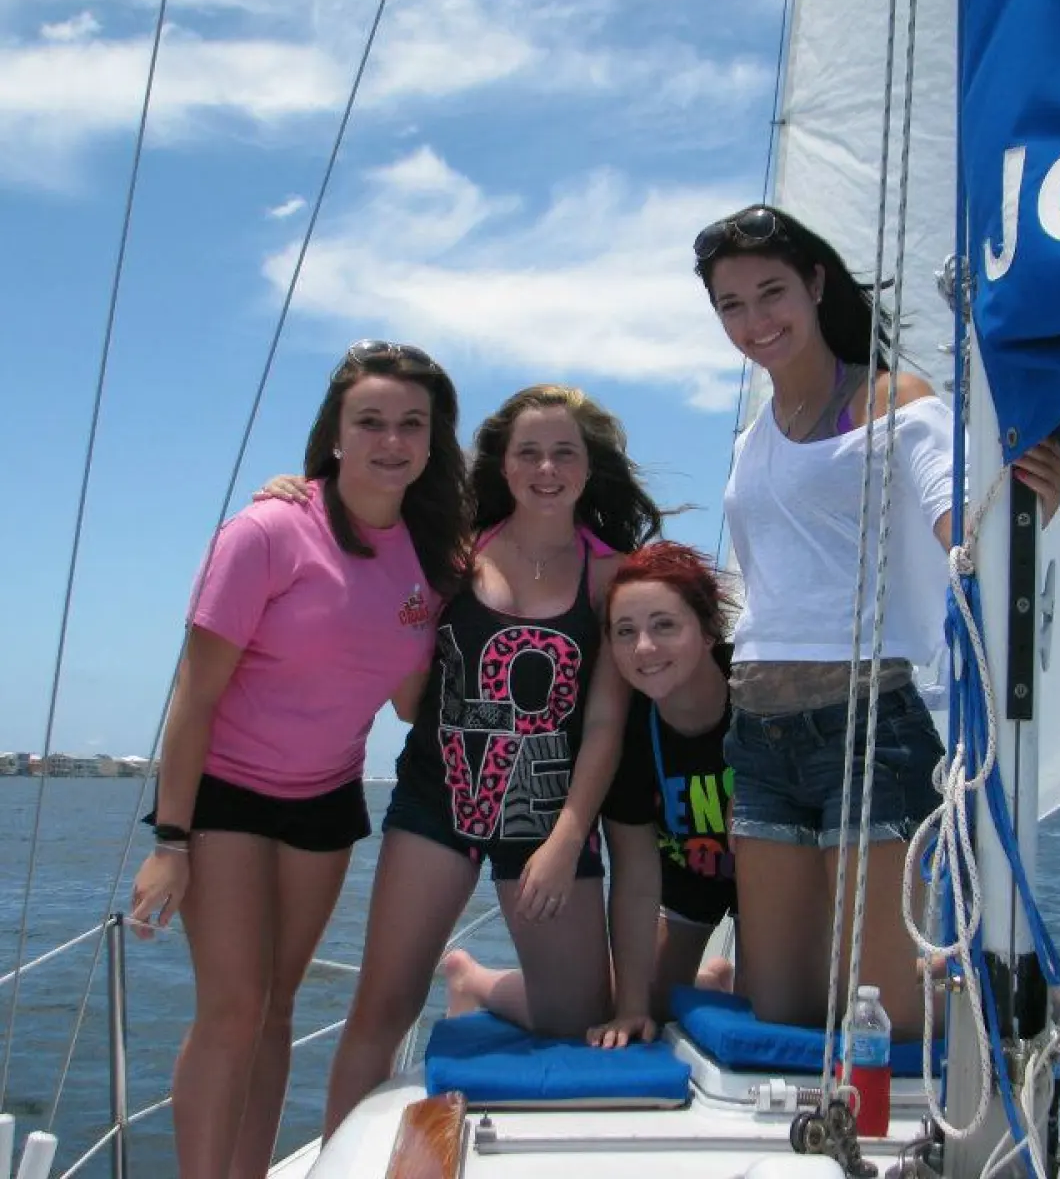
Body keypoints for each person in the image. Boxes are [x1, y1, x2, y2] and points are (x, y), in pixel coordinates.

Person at [693, 204, 1060, 1040]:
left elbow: (961, 527)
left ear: (816, 284)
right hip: (758, 736)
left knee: (884, 1018)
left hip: (870, 729)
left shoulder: (895, 402)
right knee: (781, 1008)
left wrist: (1025, 508)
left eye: (772, 292)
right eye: (731, 305)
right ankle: (928, 971)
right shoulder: (755, 437)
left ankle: (995, 1001)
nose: (755, 320)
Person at [255, 385, 663, 1137]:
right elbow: (361, 561)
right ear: (502, 465)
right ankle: (336, 1156)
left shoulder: (610, 577)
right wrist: (301, 497)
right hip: (436, 806)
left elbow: (606, 722)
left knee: (580, 1021)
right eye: (529, 453)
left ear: (588, 466)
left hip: (546, 819)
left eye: (564, 453)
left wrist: (568, 838)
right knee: (382, 1008)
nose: (546, 468)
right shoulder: (450, 554)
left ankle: (478, 982)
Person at [129, 341, 471, 1179]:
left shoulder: (432, 559)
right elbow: (193, 696)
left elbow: (406, 702)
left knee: (277, 1007)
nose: (391, 440)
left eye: (411, 425)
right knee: (233, 1009)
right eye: (370, 421)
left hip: (325, 797)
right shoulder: (268, 531)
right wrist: (170, 841)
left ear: (432, 441)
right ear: (334, 435)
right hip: (225, 794)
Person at [442, 541, 740, 1045]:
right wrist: (631, 1010)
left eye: (665, 625)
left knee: (778, 1007)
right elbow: (637, 878)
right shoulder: (630, 733)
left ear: (708, 630)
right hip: (685, 878)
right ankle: (475, 981)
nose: (644, 647)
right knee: (619, 1007)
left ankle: (710, 983)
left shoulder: (755, 697)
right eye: (625, 632)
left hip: (764, 875)